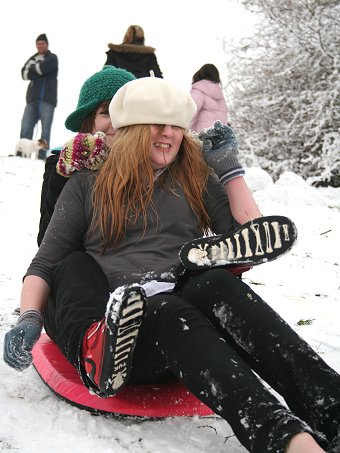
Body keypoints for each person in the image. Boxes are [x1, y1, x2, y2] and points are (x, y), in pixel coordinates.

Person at [3, 77, 340, 453]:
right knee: (117, 285)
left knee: (218, 284)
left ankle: (332, 409)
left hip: (191, 336)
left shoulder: (193, 177)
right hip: (127, 346)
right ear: (129, 131)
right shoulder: (88, 183)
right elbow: (48, 259)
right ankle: (288, 441)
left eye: (175, 126)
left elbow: (251, 234)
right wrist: (30, 317)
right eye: (155, 124)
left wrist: (228, 171)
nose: (167, 134)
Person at [37, 65, 136, 246]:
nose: (116, 122)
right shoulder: (60, 164)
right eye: (106, 113)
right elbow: (46, 239)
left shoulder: (151, 164)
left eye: (124, 112)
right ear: (87, 122)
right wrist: (62, 176)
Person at [20, 34, 58, 149]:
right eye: (38, 43)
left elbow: (44, 68)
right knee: (26, 126)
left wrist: (34, 70)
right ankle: (21, 153)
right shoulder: (33, 58)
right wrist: (38, 70)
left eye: (42, 43)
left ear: (47, 44)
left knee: (45, 129)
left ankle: (42, 155)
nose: (40, 46)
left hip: (48, 100)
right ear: (36, 45)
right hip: (32, 99)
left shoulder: (52, 58)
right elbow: (24, 74)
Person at [189, 63, 228, 133]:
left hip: (204, 135)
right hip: (221, 136)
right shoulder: (219, 93)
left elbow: (190, 112)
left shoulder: (199, 90)